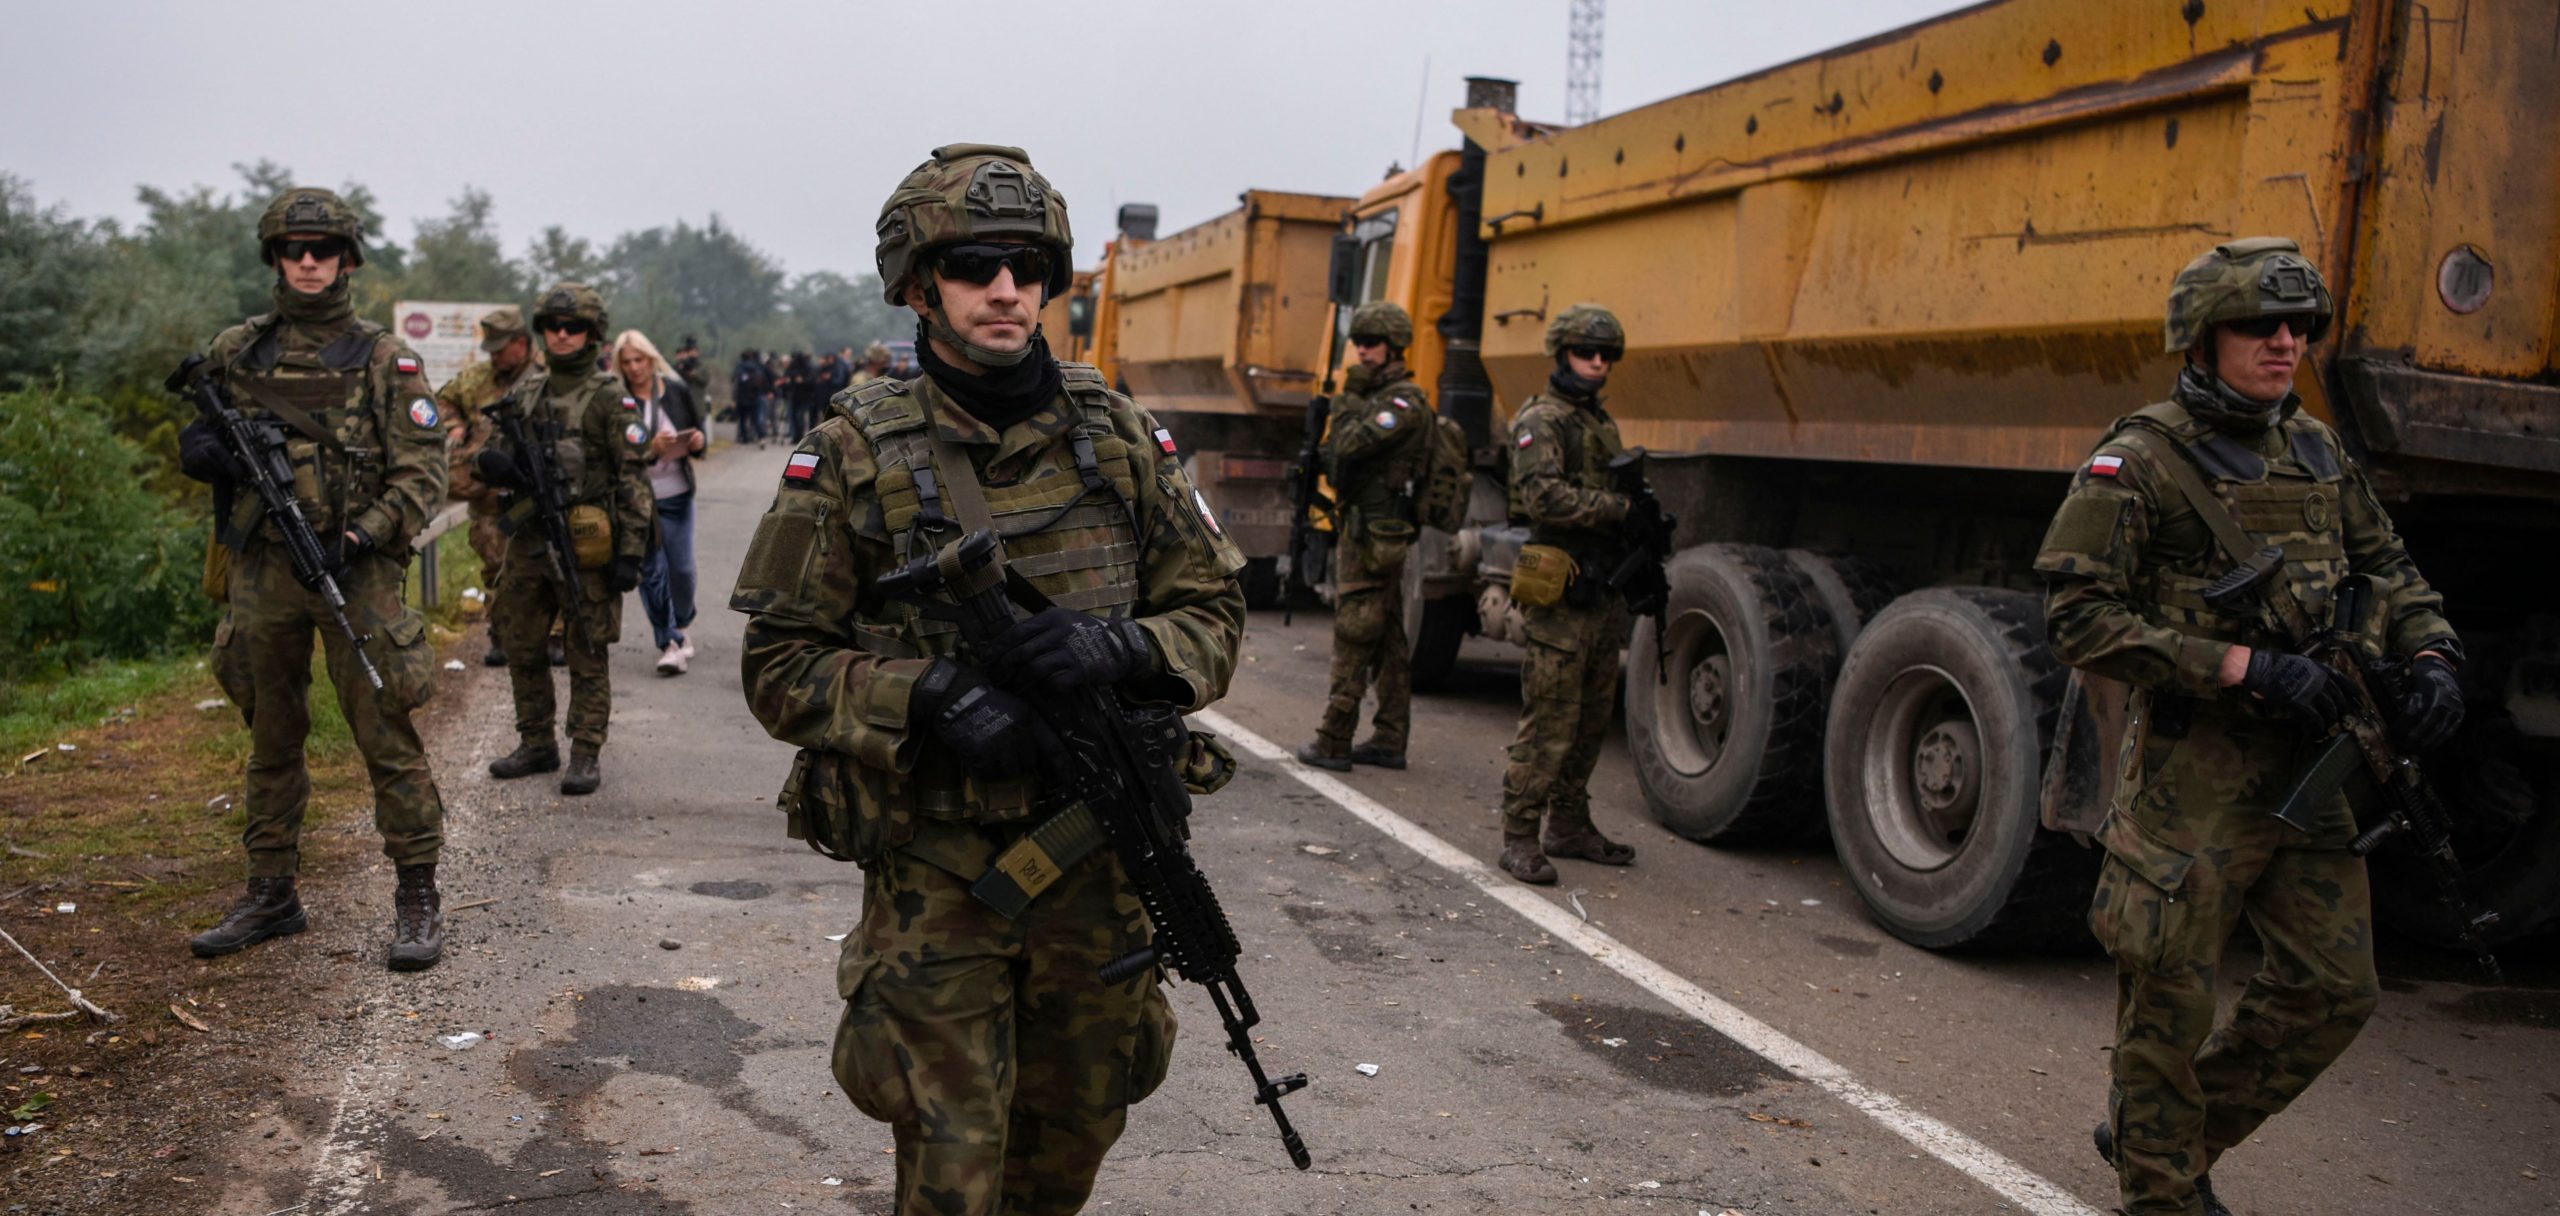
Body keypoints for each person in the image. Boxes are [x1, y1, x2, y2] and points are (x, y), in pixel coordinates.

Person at [730, 143, 1245, 1215]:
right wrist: (927, 695)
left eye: (1025, 266)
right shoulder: (855, 454)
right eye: (972, 266)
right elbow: (780, 667)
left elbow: (1213, 615)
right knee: (954, 1170)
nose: (1005, 290)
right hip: (942, 878)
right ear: (919, 284)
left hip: (1102, 865)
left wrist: (1128, 650)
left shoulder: (1117, 439)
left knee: (1066, 1153)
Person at [2034, 238, 2465, 1216]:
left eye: (2300, 327)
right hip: (2194, 774)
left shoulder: (2314, 448)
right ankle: (2160, 1190)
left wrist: (2435, 657)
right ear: (2200, 336)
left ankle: (2163, 1133)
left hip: (2311, 768)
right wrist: (2235, 663)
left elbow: (2389, 571)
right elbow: (2074, 618)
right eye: (2258, 325)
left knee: (2333, 988)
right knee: (2170, 994)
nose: (2284, 342)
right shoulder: (2138, 459)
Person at [174, 187, 450, 970]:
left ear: (346, 260)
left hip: (354, 574)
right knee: (271, 734)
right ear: (274, 258)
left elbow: (426, 472)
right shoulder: (237, 351)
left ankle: (418, 893)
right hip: (263, 569)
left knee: (385, 728)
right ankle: (271, 892)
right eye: (293, 249)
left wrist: (365, 533)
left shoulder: (384, 358)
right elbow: (206, 437)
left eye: (322, 249)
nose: (306, 261)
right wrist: (201, 454)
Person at [477, 283, 654, 796]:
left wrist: (631, 553)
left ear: (592, 334)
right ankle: (537, 743)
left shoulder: (607, 399)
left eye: (573, 327)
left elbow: (634, 482)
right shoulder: (526, 393)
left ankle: (584, 751)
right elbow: (490, 451)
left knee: (587, 648)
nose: (560, 334)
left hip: (587, 546)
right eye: (552, 326)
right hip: (529, 541)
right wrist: (496, 462)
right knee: (520, 643)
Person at [1497, 303, 1647, 884]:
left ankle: (1569, 824)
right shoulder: (1544, 418)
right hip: (1560, 593)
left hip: (1599, 592)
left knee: (1589, 719)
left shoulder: (1597, 421)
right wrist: (1618, 509)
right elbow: (1544, 499)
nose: (1597, 363)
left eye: (1607, 355)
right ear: (1562, 353)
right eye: (1587, 352)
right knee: (1550, 719)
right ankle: (1518, 835)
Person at [1295, 301, 1430, 773]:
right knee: (1388, 638)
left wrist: (1346, 400)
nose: (1360, 353)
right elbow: (1336, 456)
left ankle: (1334, 739)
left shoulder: (1402, 403)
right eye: (1357, 344)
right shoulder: (1379, 399)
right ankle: (1391, 737)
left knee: (1354, 633)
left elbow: (1350, 445)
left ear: (1393, 347)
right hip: (1366, 530)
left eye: (1369, 344)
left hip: (1375, 538)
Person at [435, 305, 547, 667]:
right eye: (492, 350)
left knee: (548, 563)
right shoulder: (476, 379)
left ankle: (555, 636)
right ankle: (501, 634)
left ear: (521, 342)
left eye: (501, 349)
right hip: (489, 498)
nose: (495, 356)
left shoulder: (547, 376)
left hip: (537, 491)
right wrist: (454, 426)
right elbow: (440, 401)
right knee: (496, 568)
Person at [611, 329, 708, 676]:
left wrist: (695, 442)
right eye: (627, 362)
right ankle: (668, 641)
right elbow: (614, 451)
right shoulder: (617, 400)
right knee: (651, 572)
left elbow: (699, 431)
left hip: (677, 494)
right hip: (638, 500)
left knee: (681, 568)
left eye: (639, 360)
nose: (635, 368)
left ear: (652, 359)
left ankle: (682, 623)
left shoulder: (676, 390)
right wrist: (650, 449)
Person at [733, 347, 771, 446]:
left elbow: (736, 383)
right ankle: (761, 436)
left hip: (742, 397)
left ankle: (744, 437)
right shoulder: (757, 367)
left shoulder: (739, 367)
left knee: (742, 419)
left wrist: (734, 398)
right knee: (757, 417)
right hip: (755, 396)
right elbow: (764, 381)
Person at [785, 350, 821, 441]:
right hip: (796, 396)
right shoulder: (794, 368)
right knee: (795, 417)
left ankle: (799, 435)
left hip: (804, 396)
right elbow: (788, 378)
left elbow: (812, 381)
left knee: (799, 416)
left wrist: (803, 381)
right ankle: (797, 435)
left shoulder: (808, 368)